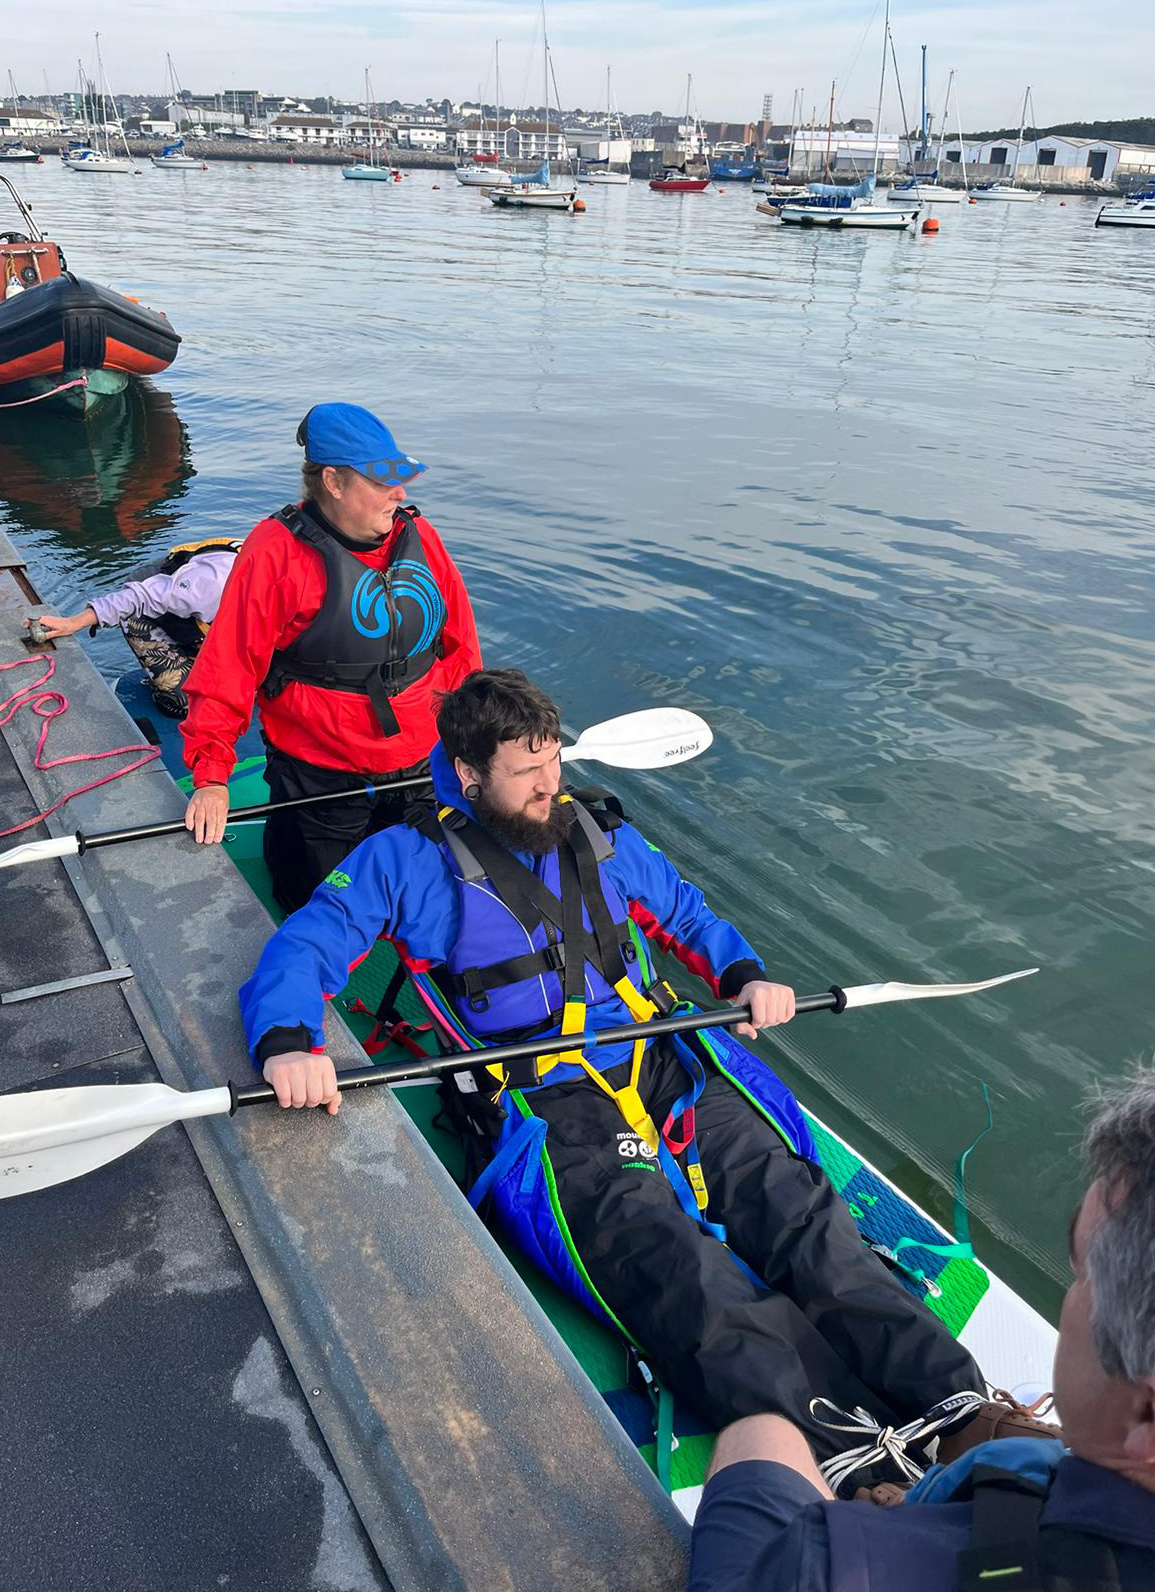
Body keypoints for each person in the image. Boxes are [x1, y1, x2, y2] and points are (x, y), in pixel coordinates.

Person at [238, 668, 1041, 1484]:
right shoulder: (405, 861)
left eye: (553, 761)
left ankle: (958, 1411)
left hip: (663, 1059)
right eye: (527, 772)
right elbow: (307, 944)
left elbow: (687, 913)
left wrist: (742, 976)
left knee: (800, 1212)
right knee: (681, 1270)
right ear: (471, 775)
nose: (550, 785)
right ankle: (863, 1463)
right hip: (542, 1098)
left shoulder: (596, 830)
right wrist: (290, 1042)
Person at [688, 1069, 1155, 1591]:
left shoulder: (820, 1564)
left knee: (761, 1436)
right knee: (834, 1266)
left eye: (1080, 1272)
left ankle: (857, 1455)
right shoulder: (1026, 1466)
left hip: (834, 1561)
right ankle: (962, 1415)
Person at [180, 404, 481, 912]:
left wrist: (476, 739)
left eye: (399, 478)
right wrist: (211, 778)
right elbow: (227, 669)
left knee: (419, 888)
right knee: (316, 900)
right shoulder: (275, 553)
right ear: (334, 482)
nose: (401, 494)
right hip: (319, 774)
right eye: (382, 482)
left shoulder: (420, 538)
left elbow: (461, 647)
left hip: (420, 765)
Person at [33, 537, 242, 719]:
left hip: (210, 619)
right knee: (188, 706)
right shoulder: (214, 584)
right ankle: (173, 675)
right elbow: (138, 598)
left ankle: (197, 661)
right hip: (150, 609)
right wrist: (73, 623)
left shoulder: (268, 596)